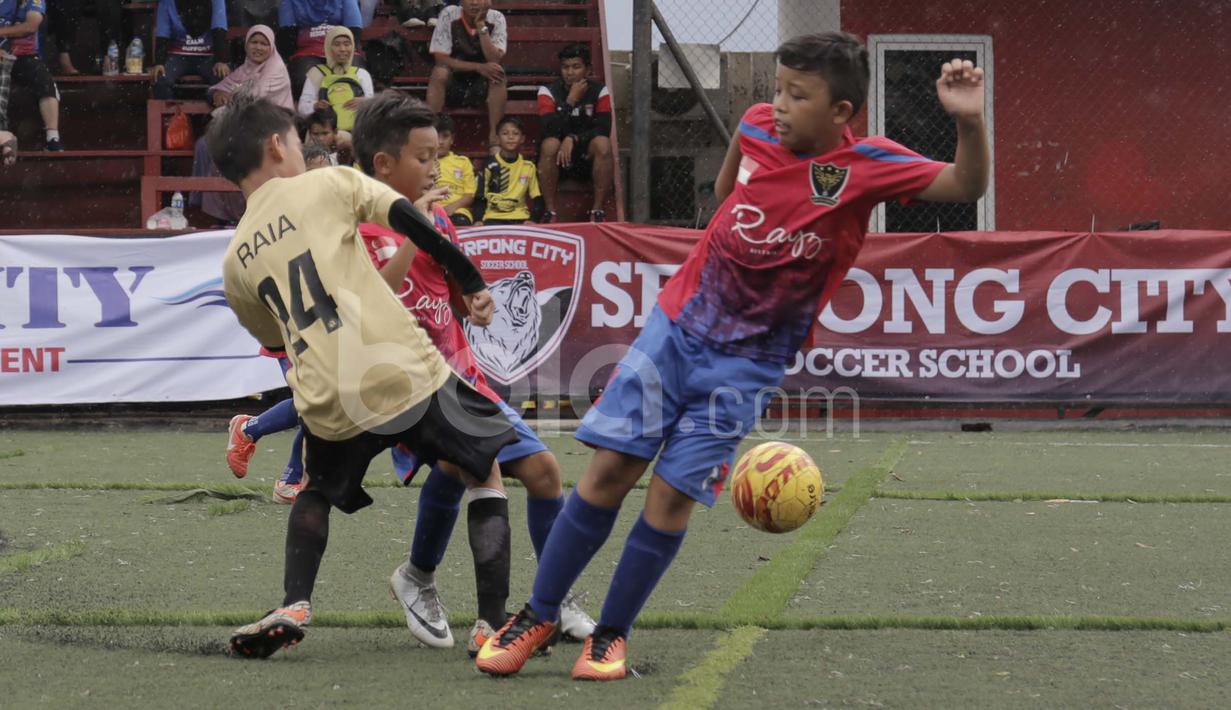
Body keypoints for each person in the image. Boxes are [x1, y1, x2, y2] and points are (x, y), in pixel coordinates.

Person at [475, 32, 990, 681]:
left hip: (745, 367)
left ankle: (609, 635)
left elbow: (965, 182)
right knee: (608, 471)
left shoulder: (868, 164)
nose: (776, 105)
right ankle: (538, 613)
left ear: (839, 113)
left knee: (669, 497)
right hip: (675, 330)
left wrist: (968, 120)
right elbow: (728, 189)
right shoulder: (753, 126)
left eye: (796, 96)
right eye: (776, 88)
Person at [211, 90, 514, 659]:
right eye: (298, 143)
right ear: (278, 146)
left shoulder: (234, 259)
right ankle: (491, 625)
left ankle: (294, 602)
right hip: (401, 370)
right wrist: (469, 277)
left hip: (325, 395)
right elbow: (406, 217)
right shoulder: (325, 184)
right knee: (484, 471)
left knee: (316, 493)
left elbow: (274, 339)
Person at [347, 91, 594, 653]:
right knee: (480, 472)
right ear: (383, 164)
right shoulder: (357, 225)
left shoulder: (440, 220)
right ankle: (497, 615)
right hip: (407, 386)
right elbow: (376, 298)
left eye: (437, 155)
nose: (435, 168)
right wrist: (415, 231)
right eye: (423, 157)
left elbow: (454, 295)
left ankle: (534, 597)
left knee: (544, 473)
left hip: (463, 376)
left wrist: (474, 305)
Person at [537, 42, 612, 223]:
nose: (569, 72)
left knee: (602, 143)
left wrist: (573, 138)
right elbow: (549, 128)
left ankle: (597, 210)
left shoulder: (600, 91)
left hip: (585, 156)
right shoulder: (548, 91)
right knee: (549, 144)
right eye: (565, 67)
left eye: (576, 67)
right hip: (558, 159)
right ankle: (550, 212)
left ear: (587, 70)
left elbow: (603, 128)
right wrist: (569, 102)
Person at [426, 0, 506, 151]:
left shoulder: (497, 18)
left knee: (498, 73)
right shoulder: (449, 14)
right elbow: (440, 59)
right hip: (454, 81)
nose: (474, 3)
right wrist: (478, 67)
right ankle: (432, 134)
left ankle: (495, 139)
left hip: (481, 86)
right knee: (439, 72)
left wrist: (481, 25)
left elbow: (494, 59)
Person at [0, 0, 62, 150]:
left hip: (23, 56)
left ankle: (53, 138)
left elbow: (31, 26)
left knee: (43, 79)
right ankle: (3, 137)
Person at [277, 0, 364, 98]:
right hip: (307, 50)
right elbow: (286, 34)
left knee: (357, 76)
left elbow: (354, 30)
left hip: (341, 47)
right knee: (302, 79)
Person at [297, 25, 372, 132]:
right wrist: (315, 106)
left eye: (347, 44)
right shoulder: (316, 73)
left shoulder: (362, 74)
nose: (342, 49)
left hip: (357, 133)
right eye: (337, 44)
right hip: (323, 133)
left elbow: (374, 106)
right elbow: (302, 108)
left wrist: (365, 102)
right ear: (328, 47)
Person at [151, 0, 230, 99]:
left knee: (223, 79)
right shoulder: (167, 2)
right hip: (178, 55)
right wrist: (159, 62)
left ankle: (213, 111)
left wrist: (221, 60)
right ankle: (171, 113)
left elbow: (219, 28)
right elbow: (163, 32)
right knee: (160, 79)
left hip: (208, 55)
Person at [474, 115, 541, 226]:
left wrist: (533, 219)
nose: (510, 137)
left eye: (515, 134)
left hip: (520, 218)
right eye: (505, 133)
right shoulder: (488, 165)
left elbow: (538, 198)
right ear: (497, 138)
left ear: (522, 139)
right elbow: (480, 196)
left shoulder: (529, 167)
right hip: (492, 218)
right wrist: (478, 220)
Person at [208, 24, 292, 110]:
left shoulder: (276, 69)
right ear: (246, 45)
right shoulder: (245, 68)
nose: (258, 47)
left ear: (271, 47)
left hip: (275, 119)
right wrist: (218, 94)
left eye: (264, 44)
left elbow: (257, 99)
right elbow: (221, 88)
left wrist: (230, 97)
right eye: (254, 42)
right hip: (249, 116)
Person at [433, 113, 476, 226]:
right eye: (436, 136)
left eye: (445, 136)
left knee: (459, 222)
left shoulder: (463, 162)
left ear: (452, 139)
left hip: (458, 211)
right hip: (430, 210)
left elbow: (469, 195)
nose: (440, 141)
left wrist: (451, 207)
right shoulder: (423, 162)